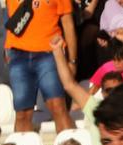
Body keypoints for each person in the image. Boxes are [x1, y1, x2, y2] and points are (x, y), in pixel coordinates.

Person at [49, 35, 119, 145]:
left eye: (116, 90)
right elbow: (69, 85)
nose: (112, 94)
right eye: (108, 90)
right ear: (103, 92)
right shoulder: (96, 108)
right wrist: (57, 52)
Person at [5, 0, 77, 133]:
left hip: (49, 52)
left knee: (57, 107)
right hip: (18, 52)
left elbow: (68, 24)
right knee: (22, 113)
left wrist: (72, 60)